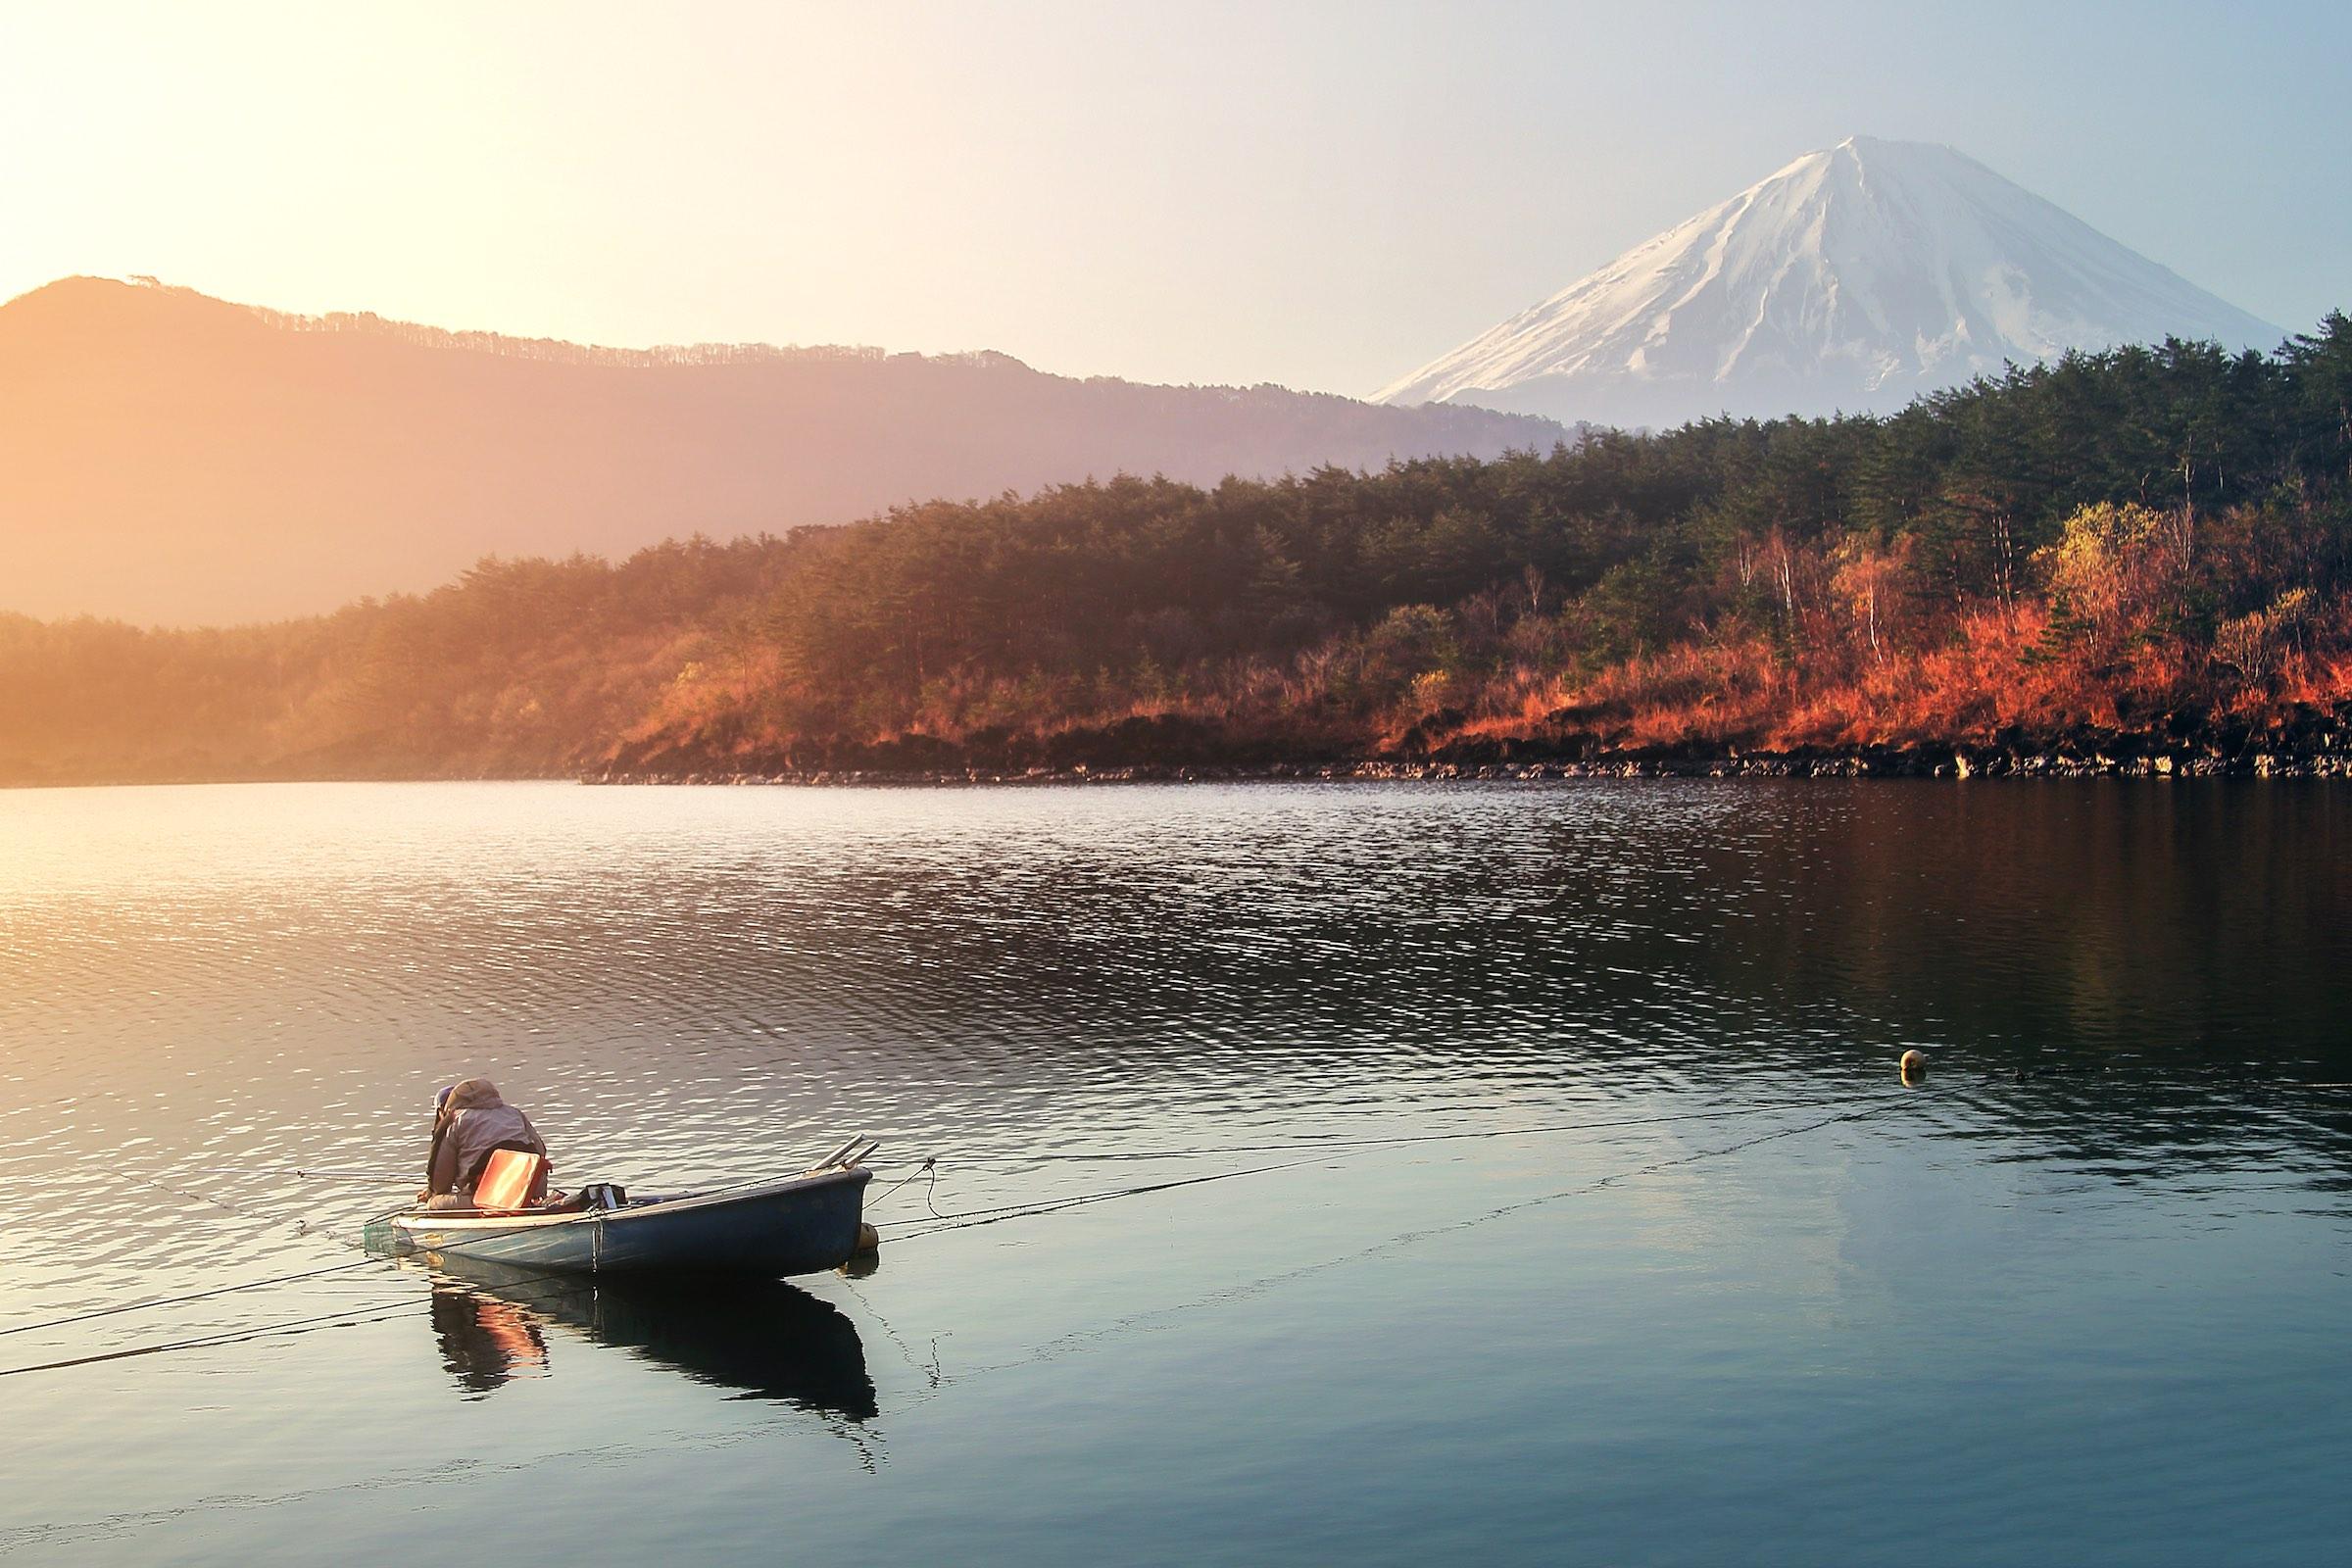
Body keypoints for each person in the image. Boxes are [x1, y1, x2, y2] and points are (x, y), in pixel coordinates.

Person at [420, 1077, 551, 1209]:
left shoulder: (452, 1121)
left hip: (492, 1196)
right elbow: (540, 1151)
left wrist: (430, 1193)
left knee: (434, 1202)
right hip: (532, 1188)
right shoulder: (513, 1112)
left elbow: (440, 1185)